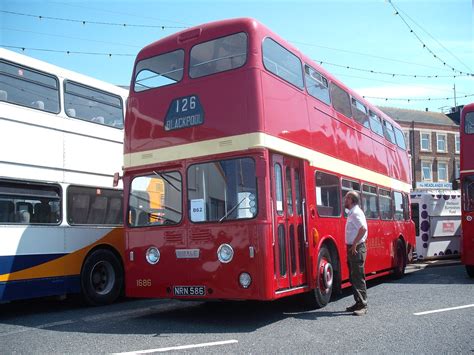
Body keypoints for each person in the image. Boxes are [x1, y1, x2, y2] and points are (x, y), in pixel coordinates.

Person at [344, 191, 368, 316]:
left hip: (357, 248)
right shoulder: (352, 213)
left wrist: (354, 244)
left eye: (346, 198)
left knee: (358, 277)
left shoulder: (356, 213)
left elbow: (363, 229)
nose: (344, 200)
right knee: (353, 277)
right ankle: (358, 302)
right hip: (353, 248)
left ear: (351, 200)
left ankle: (363, 305)